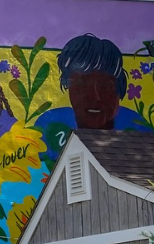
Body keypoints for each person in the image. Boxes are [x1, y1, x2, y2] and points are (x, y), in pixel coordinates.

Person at [35, 34, 141, 162]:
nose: (94, 97)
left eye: (104, 87)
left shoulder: (137, 127)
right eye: (81, 86)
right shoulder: (49, 125)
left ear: (119, 89)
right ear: (68, 88)